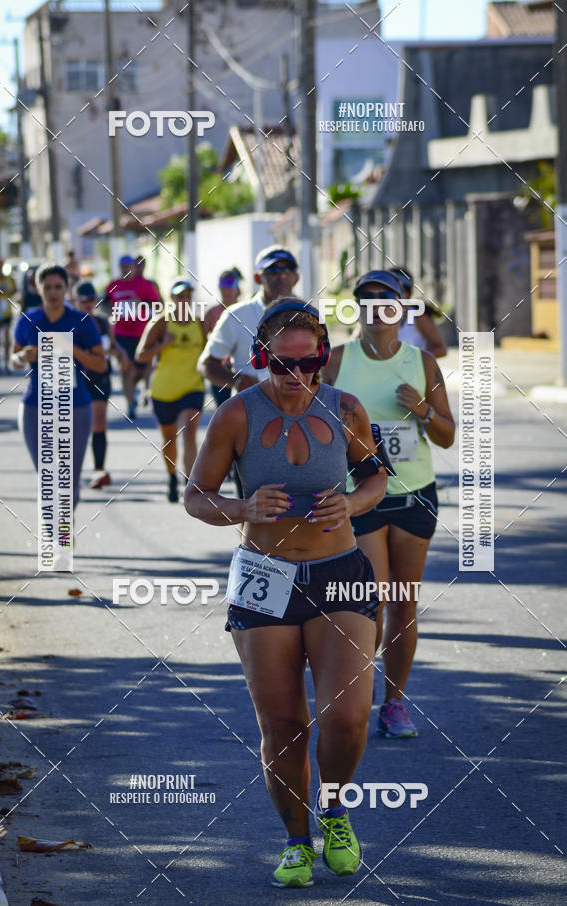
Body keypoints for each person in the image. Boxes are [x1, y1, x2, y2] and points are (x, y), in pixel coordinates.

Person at [185, 299, 388, 887]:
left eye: (309, 364)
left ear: (323, 359)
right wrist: (243, 507)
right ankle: (297, 840)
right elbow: (197, 497)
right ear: (260, 358)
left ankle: (334, 810)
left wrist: (351, 502)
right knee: (283, 726)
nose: (296, 377)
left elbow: (375, 476)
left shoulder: (345, 408)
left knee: (347, 719)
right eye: (281, 364)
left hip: (339, 570)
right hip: (263, 576)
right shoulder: (235, 415)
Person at [323, 270, 455, 738]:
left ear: (402, 307)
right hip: (362, 495)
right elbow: (313, 423)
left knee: (404, 605)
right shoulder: (338, 360)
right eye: (367, 297)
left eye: (387, 297)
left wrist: (422, 409)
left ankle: (394, 702)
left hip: (415, 494)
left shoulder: (422, 362)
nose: (377, 304)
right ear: (357, 307)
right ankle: (358, 696)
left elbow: (447, 435)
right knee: (373, 602)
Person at [12, 264, 106, 509]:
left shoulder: (82, 322)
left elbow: (100, 363)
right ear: (37, 288)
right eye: (48, 287)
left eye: (58, 287)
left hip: (75, 406)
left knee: (68, 480)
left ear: (67, 289)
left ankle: (62, 537)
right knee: (46, 477)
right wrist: (24, 356)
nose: (53, 292)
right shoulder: (28, 320)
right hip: (35, 405)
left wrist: (71, 348)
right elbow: (13, 359)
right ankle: (53, 537)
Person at [135, 278, 207, 503]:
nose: (184, 300)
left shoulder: (199, 323)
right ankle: (171, 478)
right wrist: (162, 345)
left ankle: (190, 484)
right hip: (164, 390)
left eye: (188, 296)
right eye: (179, 296)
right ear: (172, 299)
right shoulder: (161, 322)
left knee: (189, 433)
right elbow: (140, 355)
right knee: (169, 440)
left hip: (193, 387)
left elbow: (210, 353)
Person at [198, 246, 299, 395]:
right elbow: (206, 364)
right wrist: (237, 381)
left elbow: (321, 367)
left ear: (296, 277)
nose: (282, 275)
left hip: (297, 411)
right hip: (248, 411)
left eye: (288, 269)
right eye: (273, 270)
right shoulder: (236, 315)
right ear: (258, 278)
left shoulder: (310, 315)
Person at [75, 280, 124, 489]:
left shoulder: (103, 323)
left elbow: (114, 348)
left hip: (100, 377)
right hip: (76, 379)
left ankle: (99, 470)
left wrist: (121, 357)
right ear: (75, 301)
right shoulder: (71, 323)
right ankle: (71, 470)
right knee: (76, 427)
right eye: (84, 300)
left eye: (92, 300)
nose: (88, 304)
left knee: (99, 423)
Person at [104, 253, 162, 419]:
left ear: (133, 267)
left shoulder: (144, 285)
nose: (125, 269)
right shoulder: (113, 285)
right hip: (121, 334)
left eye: (128, 266)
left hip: (142, 333)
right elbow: (103, 305)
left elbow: (158, 306)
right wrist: (110, 315)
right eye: (122, 267)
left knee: (146, 370)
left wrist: (141, 303)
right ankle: (130, 404)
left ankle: (147, 395)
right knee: (126, 370)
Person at [205, 268, 243, 407]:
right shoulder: (212, 313)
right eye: (223, 287)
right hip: (220, 367)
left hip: (241, 367)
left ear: (236, 288)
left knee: (242, 408)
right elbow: (203, 340)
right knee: (223, 408)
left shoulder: (245, 310)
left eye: (229, 287)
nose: (226, 291)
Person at [390, 266, 447, 358]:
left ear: (406, 294)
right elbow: (357, 345)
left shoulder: (418, 316)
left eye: (394, 290)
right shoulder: (373, 315)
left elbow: (441, 349)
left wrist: (412, 359)